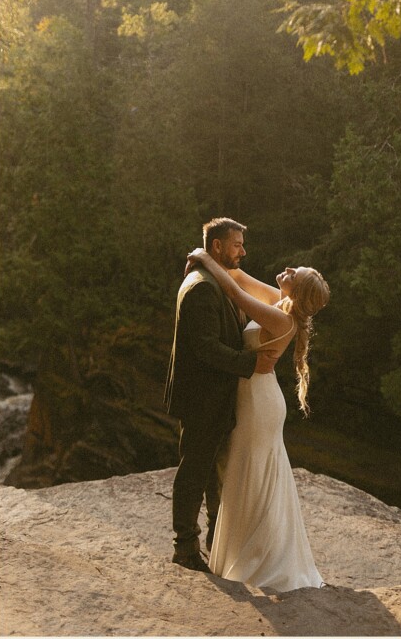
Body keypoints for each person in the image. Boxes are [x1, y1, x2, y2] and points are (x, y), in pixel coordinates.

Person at [185, 244, 330, 592]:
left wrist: (204, 258)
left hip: (259, 404)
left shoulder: (281, 318)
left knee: (250, 473)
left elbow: (234, 292)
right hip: (254, 397)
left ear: (298, 291)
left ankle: (260, 557)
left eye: (298, 275)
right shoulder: (279, 303)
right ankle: (252, 549)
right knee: (249, 473)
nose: (290, 269)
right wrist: (213, 253)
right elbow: (237, 276)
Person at [165, 218, 280, 572]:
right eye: (236, 245)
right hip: (202, 399)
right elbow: (205, 350)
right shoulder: (201, 287)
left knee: (214, 472)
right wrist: (252, 363)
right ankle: (185, 548)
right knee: (194, 472)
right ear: (217, 247)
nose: (243, 251)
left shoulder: (219, 281)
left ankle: (216, 543)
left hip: (216, 397)